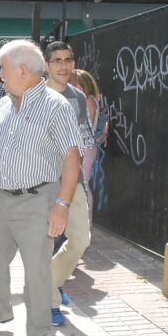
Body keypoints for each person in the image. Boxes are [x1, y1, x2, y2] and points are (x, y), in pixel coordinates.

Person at [0, 40, 82, 336]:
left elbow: (72, 159)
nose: (0, 75)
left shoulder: (55, 106)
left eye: (3, 68)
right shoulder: (4, 103)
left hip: (36, 200)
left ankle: (37, 334)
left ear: (22, 70)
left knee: (35, 271)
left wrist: (61, 205)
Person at [44, 42, 94, 326]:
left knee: (80, 240)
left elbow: (83, 141)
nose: (63, 66)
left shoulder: (76, 98)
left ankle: (53, 281)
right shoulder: (33, 96)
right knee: (43, 245)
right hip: (40, 183)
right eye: (57, 61)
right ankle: (49, 301)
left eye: (67, 60)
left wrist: (81, 181)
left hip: (71, 180)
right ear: (47, 65)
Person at [73, 69, 104, 224]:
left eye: (78, 84)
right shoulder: (82, 100)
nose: (75, 87)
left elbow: (87, 125)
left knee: (83, 185)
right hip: (80, 146)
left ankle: (87, 222)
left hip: (85, 146)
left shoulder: (89, 100)